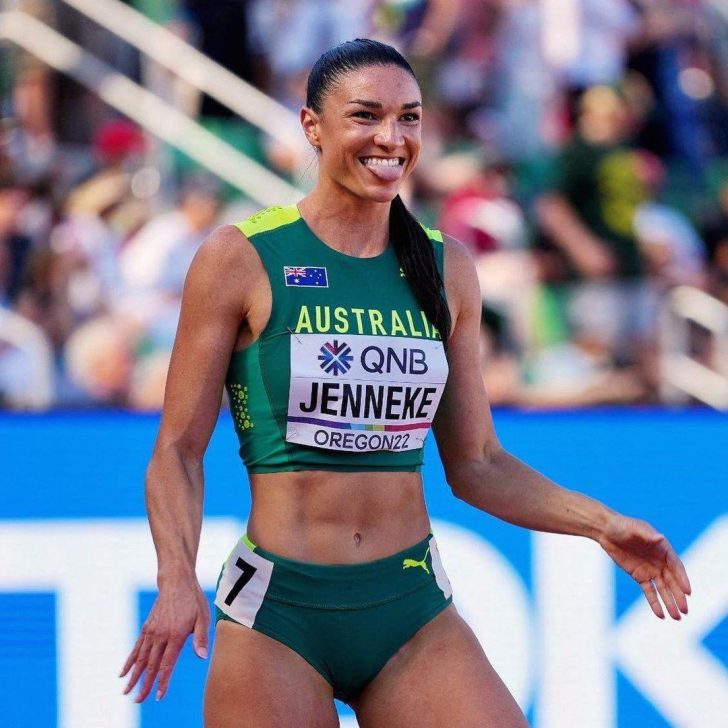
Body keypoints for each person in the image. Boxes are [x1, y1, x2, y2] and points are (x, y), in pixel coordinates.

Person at [120, 39, 691, 727]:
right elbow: (177, 450)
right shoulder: (242, 258)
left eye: (409, 117)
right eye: (365, 115)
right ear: (312, 127)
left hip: (411, 607)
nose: (391, 138)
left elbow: (478, 465)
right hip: (278, 612)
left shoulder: (447, 268)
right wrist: (175, 577)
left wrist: (602, 525)